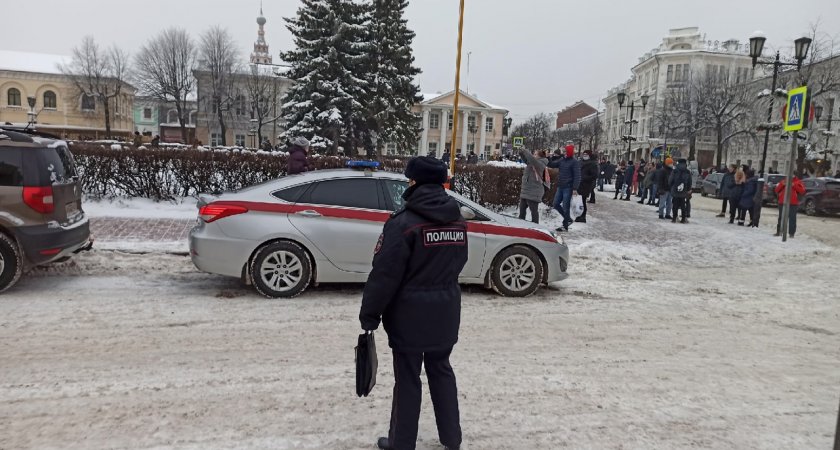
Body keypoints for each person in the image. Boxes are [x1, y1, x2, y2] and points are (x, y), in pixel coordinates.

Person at [359, 156, 466, 450]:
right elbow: (460, 262)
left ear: (414, 182)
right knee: (442, 370)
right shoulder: (458, 220)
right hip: (446, 311)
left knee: (407, 379)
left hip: (409, 315)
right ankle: (452, 439)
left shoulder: (404, 223)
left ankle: (401, 443)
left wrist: (370, 316)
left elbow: (384, 275)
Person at [547, 145, 581, 231]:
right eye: (563, 151)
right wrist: (548, 157)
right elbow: (551, 164)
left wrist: (574, 188)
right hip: (560, 186)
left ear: (569, 152)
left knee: (566, 206)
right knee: (555, 204)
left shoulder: (574, 162)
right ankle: (568, 219)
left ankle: (565, 225)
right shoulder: (562, 160)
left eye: (565, 151)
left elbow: (577, 176)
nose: (564, 153)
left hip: (568, 187)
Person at [518, 148, 549, 224]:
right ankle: (520, 225)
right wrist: (521, 152)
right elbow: (526, 159)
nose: (534, 155)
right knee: (522, 210)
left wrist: (525, 150)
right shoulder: (532, 163)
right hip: (526, 191)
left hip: (534, 192)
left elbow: (531, 159)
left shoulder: (540, 163)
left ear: (540, 156)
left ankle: (536, 226)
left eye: (535, 154)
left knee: (533, 211)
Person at [577, 150, 598, 223]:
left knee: (583, 200)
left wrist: (584, 178)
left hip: (586, 185)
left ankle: (583, 216)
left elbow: (594, 175)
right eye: (584, 154)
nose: (585, 155)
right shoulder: (580, 162)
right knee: (580, 201)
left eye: (586, 154)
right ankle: (580, 215)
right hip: (579, 184)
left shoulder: (593, 164)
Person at [669, 158, 692, 223]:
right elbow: (690, 181)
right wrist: (688, 189)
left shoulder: (675, 170)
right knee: (683, 205)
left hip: (675, 190)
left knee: (675, 204)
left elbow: (671, 180)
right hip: (684, 191)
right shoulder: (687, 171)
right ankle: (683, 219)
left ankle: (674, 218)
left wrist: (671, 186)